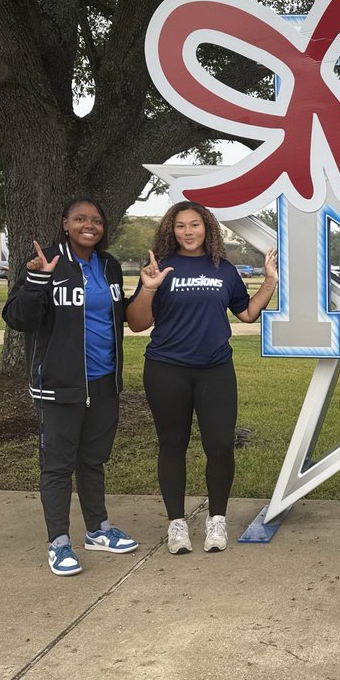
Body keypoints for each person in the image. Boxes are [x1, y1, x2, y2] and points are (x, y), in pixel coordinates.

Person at [126, 201, 277, 555]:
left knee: (221, 445)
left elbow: (247, 314)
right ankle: (177, 523)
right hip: (166, 369)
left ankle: (216, 520)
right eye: (181, 225)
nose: (188, 231)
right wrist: (148, 287)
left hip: (215, 369)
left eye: (195, 224)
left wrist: (269, 282)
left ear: (207, 228)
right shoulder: (158, 268)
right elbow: (136, 323)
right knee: (172, 445)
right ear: (171, 230)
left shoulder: (223, 269)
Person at [2, 198, 137, 576]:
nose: (89, 225)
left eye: (96, 220)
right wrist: (37, 279)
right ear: (65, 224)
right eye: (80, 219)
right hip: (59, 385)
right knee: (58, 466)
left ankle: (98, 529)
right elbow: (19, 319)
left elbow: (118, 314)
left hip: (104, 381)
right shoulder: (47, 262)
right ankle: (59, 542)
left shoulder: (108, 265)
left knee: (93, 461)